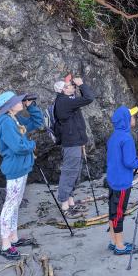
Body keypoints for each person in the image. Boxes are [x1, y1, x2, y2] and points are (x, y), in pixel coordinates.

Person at [0, 91, 43, 260]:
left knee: (16, 202)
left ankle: (13, 238)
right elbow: (18, 147)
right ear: (10, 106)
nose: (22, 102)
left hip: (21, 168)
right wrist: (32, 144)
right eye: (19, 101)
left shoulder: (15, 119)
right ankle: (6, 245)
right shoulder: (6, 123)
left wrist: (31, 106)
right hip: (15, 169)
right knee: (10, 204)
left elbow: (36, 123)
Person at [106, 105, 138, 255]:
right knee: (119, 214)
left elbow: (121, 159)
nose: (134, 118)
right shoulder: (126, 138)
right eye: (132, 116)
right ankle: (120, 246)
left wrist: (136, 159)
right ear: (126, 120)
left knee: (113, 211)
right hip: (122, 182)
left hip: (113, 180)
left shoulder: (115, 136)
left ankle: (114, 241)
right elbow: (129, 163)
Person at [53, 75, 95, 218]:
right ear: (63, 90)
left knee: (74, 172)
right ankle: (65, 206)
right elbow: (89, 98)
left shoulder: (67, 100)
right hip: (71, 143)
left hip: (75, 141)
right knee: (69, 172)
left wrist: (82, 140)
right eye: (70, 85)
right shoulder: (64, 101)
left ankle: (70, 202)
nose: (73, 87)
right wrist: (82, 84)